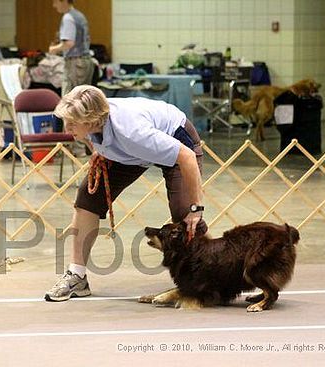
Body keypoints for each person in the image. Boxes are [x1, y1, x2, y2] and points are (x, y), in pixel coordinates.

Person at [44, 85, 207, 302]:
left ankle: (208, 278)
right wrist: (101, 152)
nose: (67, 127)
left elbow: (186, 157)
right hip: (131, 152)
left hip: (175, 137)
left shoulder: (132, 132)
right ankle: (77, 276)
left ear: (92, 121)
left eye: (72, 122)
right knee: (88, 199)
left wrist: (196, 208)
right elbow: (99, 140)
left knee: (185, 215)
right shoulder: (88, 127)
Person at [48, 0, 94, 96]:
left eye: (56, 2)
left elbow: (68, 43)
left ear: (64, 1)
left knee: (69, 100)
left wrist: (54, 49)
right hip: (85, 61)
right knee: (83, 99)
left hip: (75, 63)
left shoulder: (68, 18)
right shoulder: (79, 15)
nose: (54, 6)